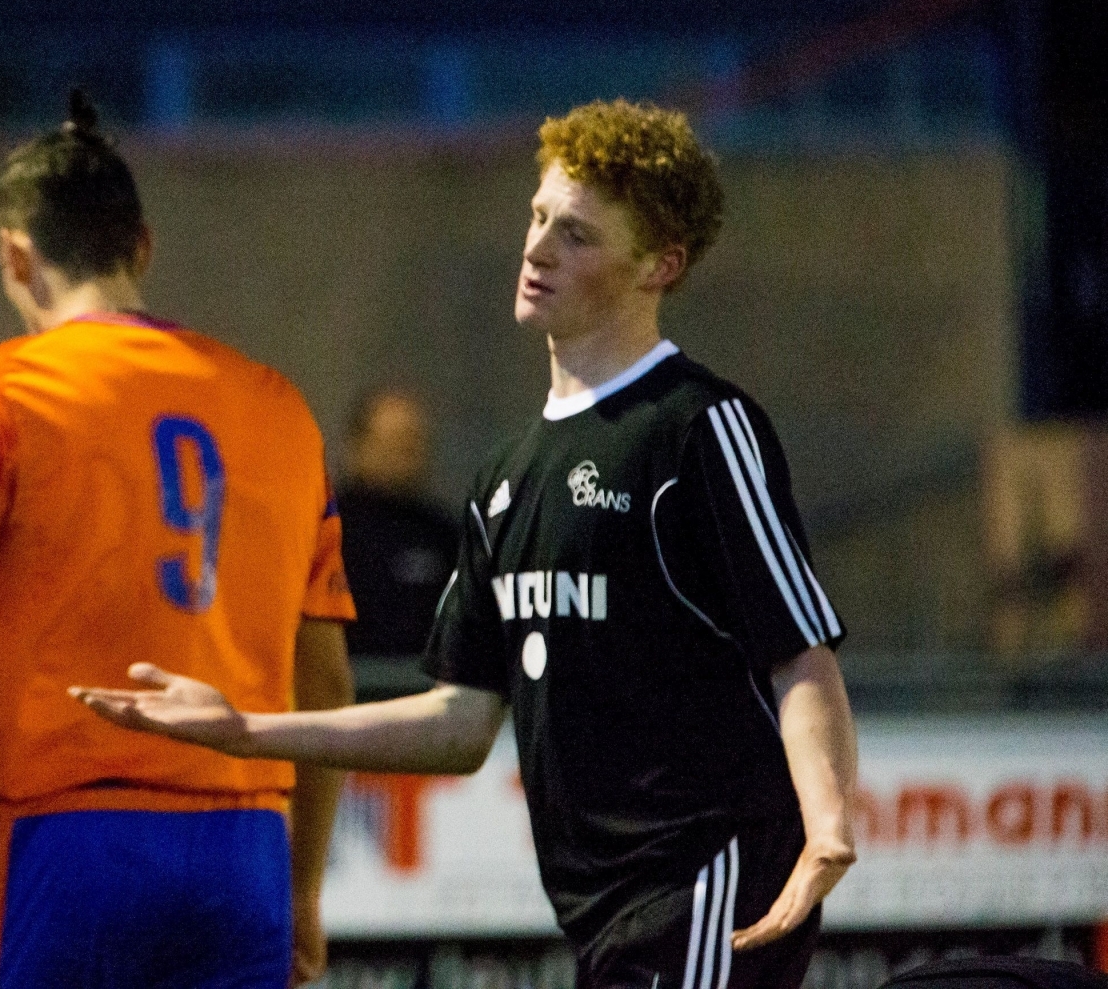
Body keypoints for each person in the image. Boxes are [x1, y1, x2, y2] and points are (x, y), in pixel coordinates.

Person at [76, 100, 860, 989]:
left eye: (576, 235)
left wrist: (828, 818)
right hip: (601, 911)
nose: (537, 249)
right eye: (536, 218)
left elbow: (798, 649)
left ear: (659, 265)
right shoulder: (505, 474)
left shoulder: (698, 427)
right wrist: (246, 729)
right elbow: (461, 721)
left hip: (713, 877)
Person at [0, 91, 357, 989]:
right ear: (142, 246)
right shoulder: (280, 408)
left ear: (16, 257)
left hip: (71, 837)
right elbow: (324, 684)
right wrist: (303, 888)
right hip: (245, 846)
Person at [336, 387, 459, 658]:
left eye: (413, 442)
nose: (405, 454)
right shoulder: (328, 530)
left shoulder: (442, 534)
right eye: (392, 443)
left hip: (425, 691)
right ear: (358, 447)